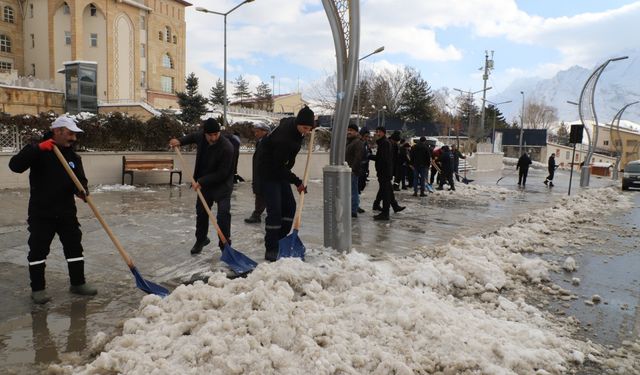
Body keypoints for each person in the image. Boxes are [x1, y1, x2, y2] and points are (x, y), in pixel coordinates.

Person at [9, 115, 97, 304]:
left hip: (66, 212)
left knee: (74, 247)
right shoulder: (38, 150)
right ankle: (38, 289)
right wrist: (37, 149)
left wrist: (82, 190)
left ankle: (78, 283)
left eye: (75, 134)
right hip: (42, 213)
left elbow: (80, 179)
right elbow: (15, 166)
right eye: (70, 133)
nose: (74, 138)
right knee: (38, 251)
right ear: (57, 131)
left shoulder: (73, 156)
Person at [169, 118, 235, 254]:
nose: (213, 137)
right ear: (205, 133)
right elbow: (192, 136)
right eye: (210, 135)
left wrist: (202, 181)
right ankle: (201, 239)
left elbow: (223, 173)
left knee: (223, 214)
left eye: (216, 134)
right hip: (205, 185)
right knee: (202, 213)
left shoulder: (227, 147)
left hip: (222, 185)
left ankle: (225, 246)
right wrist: (180, 141)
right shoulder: (201, 136)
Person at [257, 106, 314, 261]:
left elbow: (283, 165)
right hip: (269, 171)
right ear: (298, 123)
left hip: (280, 169)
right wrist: (296, 181)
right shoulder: (284, 139)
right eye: (305, 128)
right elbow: (277, 166)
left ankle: (281, 241)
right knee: (275, 211)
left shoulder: (295, 126)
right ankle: (271, 247)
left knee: (290, 207)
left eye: (309, 128)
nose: (307, 131)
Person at [371, 126, 405, 221]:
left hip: (384, 172)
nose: (377, 134)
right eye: (376, 132)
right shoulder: (384, 142)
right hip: (386, 172)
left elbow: (383, 159)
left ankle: (385, 213)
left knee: (385, 193)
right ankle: (394, 206)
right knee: (388, 190)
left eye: (379, 132)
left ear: (383, 133)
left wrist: (370, 157)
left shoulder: (385, 143)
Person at [245, 123, 270, 223]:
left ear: (265, 131)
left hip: (263, 174)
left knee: (261, 194)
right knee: (260, 193)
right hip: (259, 173)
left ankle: (257, 215)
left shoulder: (266, 142)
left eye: (257, 131)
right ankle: (258, 214)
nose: (255, 134)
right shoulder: (261, 142)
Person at [345, 124, 364, 218]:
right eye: (348, 130)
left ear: (356, 132)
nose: (349, 132)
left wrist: (352, 169)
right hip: (347, 170)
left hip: (352, 171)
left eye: (351, 130)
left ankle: (353, 210)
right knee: (350, 191)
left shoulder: (357, 142)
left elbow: (358, 157)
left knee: (353, 191)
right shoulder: (349, 142)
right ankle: (351, 208)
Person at [357, 128, 371, 213]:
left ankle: (356, 204)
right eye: (366, 136)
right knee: (356, 188)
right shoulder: (359, 143)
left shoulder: (365, 144)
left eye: (368, 136)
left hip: (364, 169)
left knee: (360, 187)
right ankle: (355, 205)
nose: (367, 138)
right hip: (359, 169)